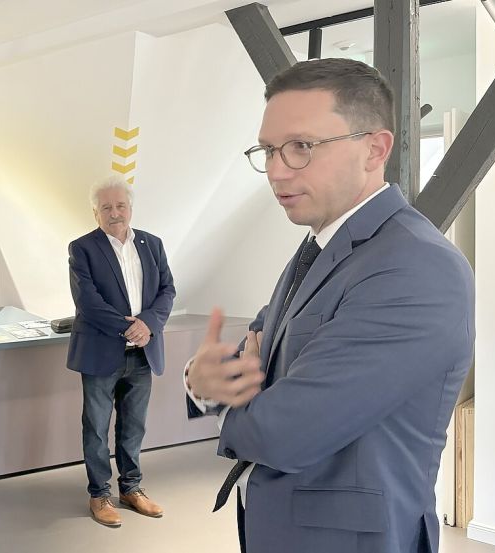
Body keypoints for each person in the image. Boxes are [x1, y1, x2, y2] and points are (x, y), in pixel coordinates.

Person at [185, 58, 474, 553]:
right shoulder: (319, 246)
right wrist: (202, 382)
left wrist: (222, 406)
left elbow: (285, 434)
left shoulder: (416, 267)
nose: (276, 170)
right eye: (268, 149)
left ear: (374, 149)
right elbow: (254, 356)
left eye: (301, 147)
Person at [66, 175, 176, 527]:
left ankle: (131, 488)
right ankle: (99, 494)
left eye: (121, 206)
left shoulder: (152, 243)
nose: (115, 213)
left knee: (134, 427)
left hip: (143, 354)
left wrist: (148, 323)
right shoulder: (82, 248)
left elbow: (167, 291)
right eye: (107, 208)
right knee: (96, 428)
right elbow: (87, 301)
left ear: (131, 208)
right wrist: (128, 326)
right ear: (95, 212)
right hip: (101, 352)